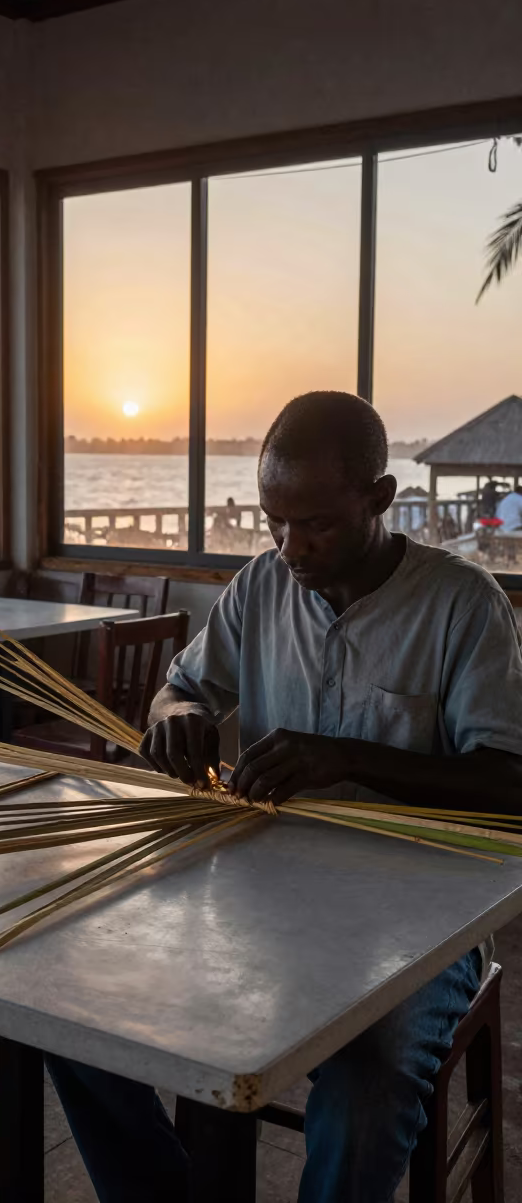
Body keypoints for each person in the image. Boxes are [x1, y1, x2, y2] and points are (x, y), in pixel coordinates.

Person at [46, 391, 522, 1203]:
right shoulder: (262, 585)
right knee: (68, 1016)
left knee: (367, 1085)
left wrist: (347, 757)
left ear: (379, 499)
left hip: (417, 916)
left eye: (317, 525)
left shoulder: (461, 603)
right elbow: (176, 688)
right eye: (275, 521)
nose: (289, 546)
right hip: (260, 897)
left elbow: (507, 785)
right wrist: (179, 716)